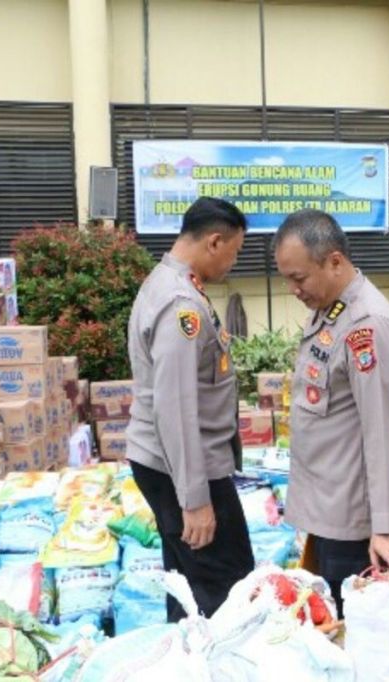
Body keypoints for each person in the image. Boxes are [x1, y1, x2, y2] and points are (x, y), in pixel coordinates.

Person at [274, 209, 389, 615]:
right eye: (287, 277)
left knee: (360, 629)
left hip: (359, 522)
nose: (293, 290)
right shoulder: (332, 309)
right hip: (332, 508)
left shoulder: (367, 326)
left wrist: (386, 527)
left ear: (335, 261)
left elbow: (384, 431)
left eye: (299, 278)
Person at [127, 196, 254, 621]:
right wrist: (195, 500)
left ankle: (184, 657)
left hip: (171, 464)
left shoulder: (165, 283)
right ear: (214, 242)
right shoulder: (183, 307)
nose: (232, 264)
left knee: (187, 582)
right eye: (234, 252)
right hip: (183, 467)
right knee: (228, 586)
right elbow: (175, 407)